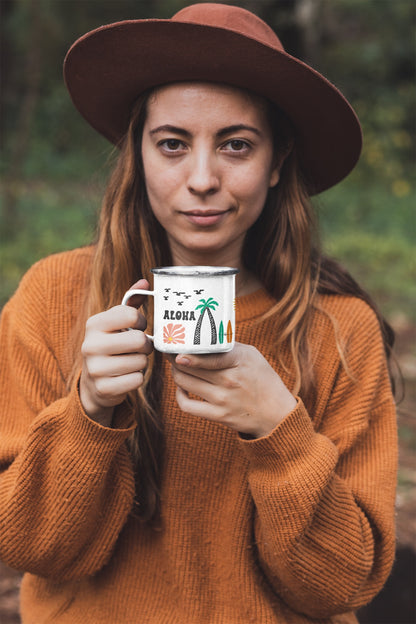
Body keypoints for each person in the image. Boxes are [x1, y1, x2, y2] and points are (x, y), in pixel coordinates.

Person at [0, 3, 398, 623]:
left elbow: (339, 588)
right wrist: (89, 410)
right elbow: (30, 547)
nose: (203, 178)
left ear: (276, 164)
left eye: (236, 145)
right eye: (173, 145)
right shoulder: (54, 297)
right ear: (139, 155)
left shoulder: (338, 330)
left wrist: (280, 435)